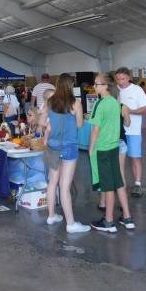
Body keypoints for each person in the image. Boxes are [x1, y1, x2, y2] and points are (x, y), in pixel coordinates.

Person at [43, 73, 90, 234]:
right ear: (71, 86)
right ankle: (70, 223)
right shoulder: (75, 103)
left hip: (52, 146)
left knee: (52, 182)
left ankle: (51, 215)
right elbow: (79, 124)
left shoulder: (50, 102)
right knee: (65, 186)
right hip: (69, 146)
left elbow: (42, 122)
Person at [89, 73, 135, 233]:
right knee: (118, 183)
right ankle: (127, 218)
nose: (94, 87)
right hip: (114, 147)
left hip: (102, 149)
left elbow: (95, 129)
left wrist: (90, 149)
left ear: (106, 86)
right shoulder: (117, 104)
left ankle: (108, 221)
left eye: (97, 84)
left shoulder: (100, 104)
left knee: (108, 186)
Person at [115, 67, 146, 198]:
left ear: (129, 77)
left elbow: (144, 109)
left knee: (135, 157)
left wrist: (129, 111)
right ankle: (119, 184)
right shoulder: (115, 91)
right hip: (118, 131)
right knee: (119, 160)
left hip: (133, 130)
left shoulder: (137, 90)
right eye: (118, 79)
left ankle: (138, 184)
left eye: (123, 78)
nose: (120, 81)